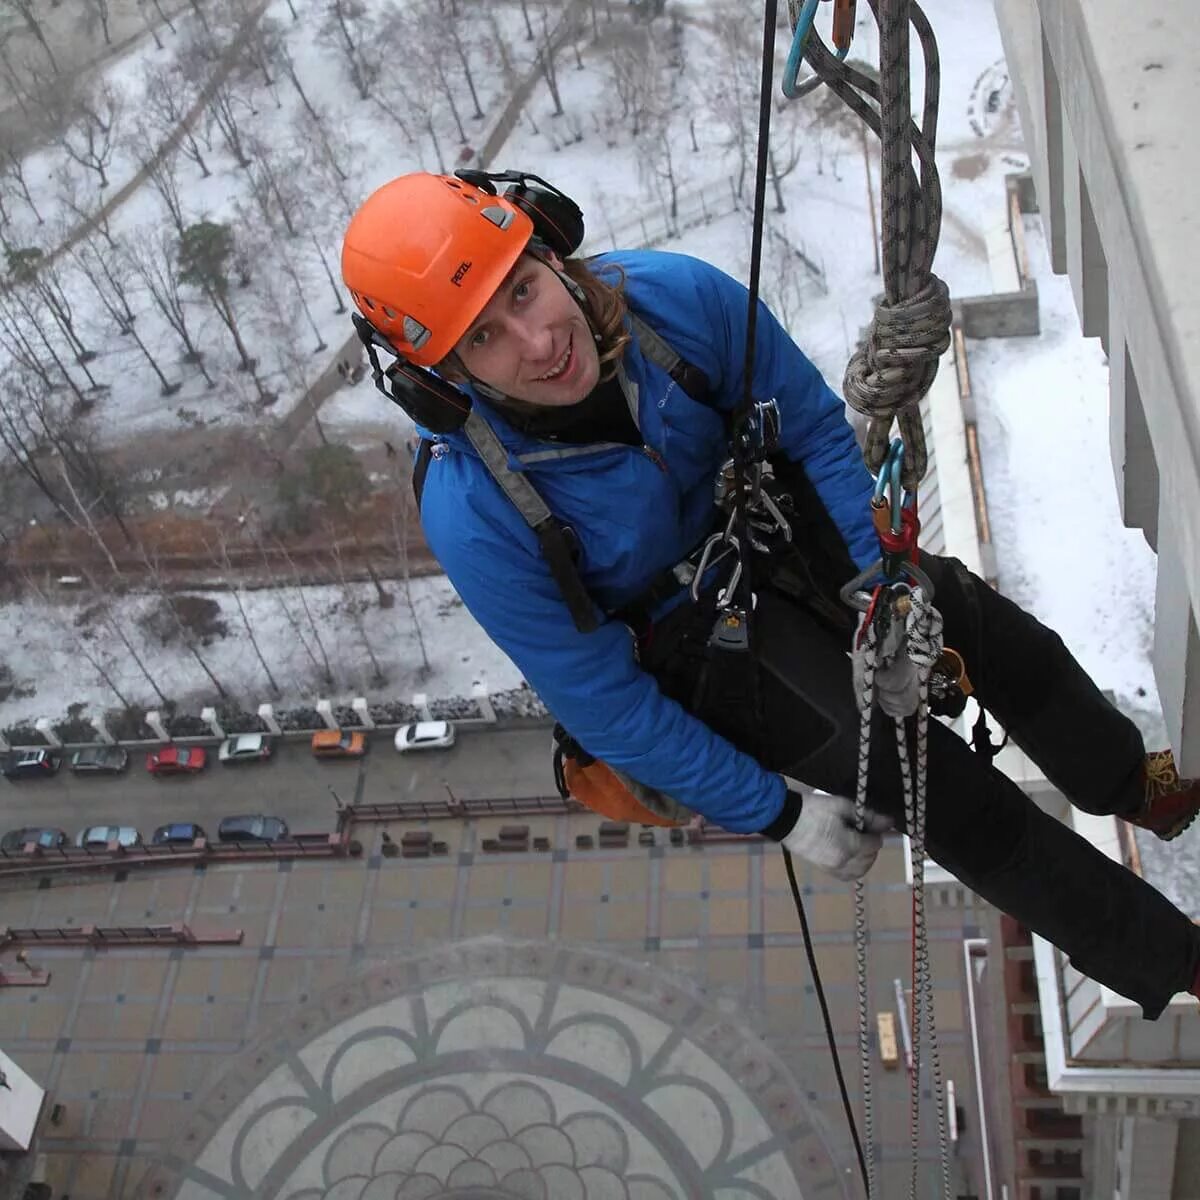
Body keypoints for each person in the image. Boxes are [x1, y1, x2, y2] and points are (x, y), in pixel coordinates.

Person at [341, 169, 1200, 1020]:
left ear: (551, 247)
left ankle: (1135, 782)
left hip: (767, 513)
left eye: (524, 290)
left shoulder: (673, 303)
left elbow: (817, 431)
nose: (536, 343)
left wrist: (890, 595)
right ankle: (1176, 960)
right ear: (441, 380)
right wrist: (783, 814)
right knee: (925, 779)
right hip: (684, 639)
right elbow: (608, 706)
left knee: (975, 624)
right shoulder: (475, 512)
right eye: (484, 339)